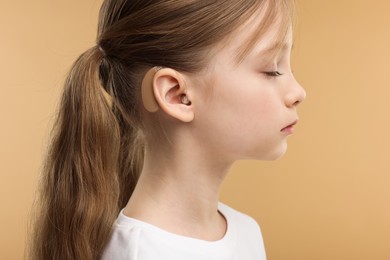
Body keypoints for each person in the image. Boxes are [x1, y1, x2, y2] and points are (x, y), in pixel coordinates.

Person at [28, 0, 306, 259]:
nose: (298, 92)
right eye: (272, 69)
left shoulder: (245, 230)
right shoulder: (140, 253)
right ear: (177, 95)